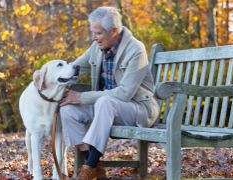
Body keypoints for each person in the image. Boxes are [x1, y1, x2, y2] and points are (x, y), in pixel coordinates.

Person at [59, 6, 160, 179]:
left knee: (105, 101)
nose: (94, 38)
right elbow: (75, 68)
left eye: (98, 33)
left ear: (114, 31)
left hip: (137, 109)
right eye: (93, 33)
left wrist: (82, 97)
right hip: (105, 107)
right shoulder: (96, 47)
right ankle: (92, 163)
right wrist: (53, 80)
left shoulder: (136, 49)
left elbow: (125, 93)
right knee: (67, 109)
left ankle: (88, 168)